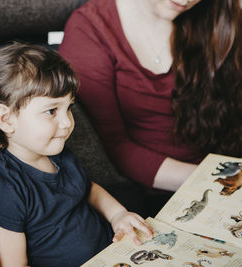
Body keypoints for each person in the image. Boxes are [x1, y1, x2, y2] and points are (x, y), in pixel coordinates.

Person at [0, 43, 153, 267]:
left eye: (69, 108)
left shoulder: (60, 155)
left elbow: (90, 189)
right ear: (6, 119)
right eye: (51, 111)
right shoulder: (6, 186)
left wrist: (118, 215)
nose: (66, 123)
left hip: (116, 253)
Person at [59, 0, 242, 197]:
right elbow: (114, 147)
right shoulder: (91, 29)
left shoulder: (217, 12)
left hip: (227, 169)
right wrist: (213, 180)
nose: (185, 1)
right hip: (162, 190)